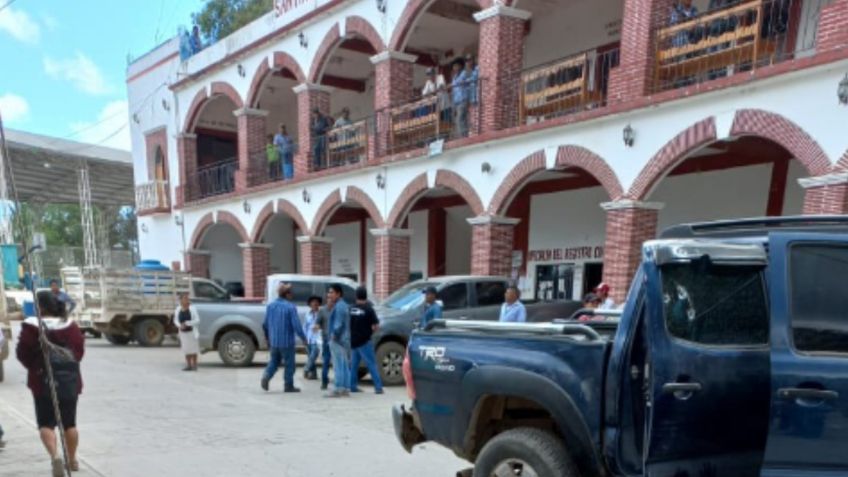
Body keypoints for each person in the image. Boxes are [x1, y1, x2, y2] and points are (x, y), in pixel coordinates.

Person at [17, 292, 85, 476]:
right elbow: (78, 352)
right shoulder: (71, 325)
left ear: (41, 307)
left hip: (43, 382)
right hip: (70, 382)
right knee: (70, 423)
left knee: (46, 423)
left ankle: (55, 456)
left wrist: (36, 368)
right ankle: (72, 460)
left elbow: (22, 353)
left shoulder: (32, 326)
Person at [261, 284, 307, 393]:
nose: (292, 296)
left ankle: (266, 376)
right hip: (287, 342)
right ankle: (288, 385)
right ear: (287, 294)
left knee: (274, 361)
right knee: (289, 364)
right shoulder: (290, 307)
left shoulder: (270, 306)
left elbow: (265, 324)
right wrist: (304, 338)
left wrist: (267, 338)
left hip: (274, 341)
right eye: (291, 293)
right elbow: (296, 325)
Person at [348, 287, 384, 394]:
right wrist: (372, 330)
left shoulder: (351, 309)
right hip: (365, 341)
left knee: (353, 366)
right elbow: (376, 326)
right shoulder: (369, 309)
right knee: (372, 364)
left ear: (356, 296)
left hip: (353, 341)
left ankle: (352, 386)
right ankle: (378, 388)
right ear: (366, 296)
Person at [325, 283, 351, 398]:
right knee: (344, 364)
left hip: (338, 340)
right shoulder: (343, 305)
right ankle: (345, 388)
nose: (329, 295)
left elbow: (338, 324)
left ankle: (338, 388)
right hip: (344, 340)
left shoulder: (340, 306)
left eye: (331, 292)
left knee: (338, 365)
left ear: (338, 294)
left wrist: (333, 335)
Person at [173, 293, 200, 371]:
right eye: (184, 298)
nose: (186, 300)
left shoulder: (192, 308)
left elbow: (198, 320)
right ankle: (188, 365)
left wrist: (187, 323)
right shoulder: (178, 309)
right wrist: (179, 325)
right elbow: (175, 320)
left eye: (187, 298)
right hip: (183, 333)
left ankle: (194, 365)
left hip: (191, 332)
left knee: (194, 349)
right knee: (186, 350)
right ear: (180, 300)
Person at [303, 295, 323, 380]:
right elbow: (305, 326)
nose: (315, 303)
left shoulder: (321, 313)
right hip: (309, 338)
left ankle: (306, 369)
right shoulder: (308, 314)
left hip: (318, 339)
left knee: (313, 356)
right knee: (310, 356)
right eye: (313, 302)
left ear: (319, 304)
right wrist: (304, 337)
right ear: (310, 304)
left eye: (316, 302)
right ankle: (313, 374)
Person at [451, 61, 470, 138]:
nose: (455, 68)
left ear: (460, 66)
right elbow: (454, 90)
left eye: (456, 66)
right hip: (456, 101)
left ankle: (463, 136)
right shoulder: (454, 77)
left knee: (460, 118)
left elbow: (465, 81)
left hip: (463, 99)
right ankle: (461, 135)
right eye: (454, 66)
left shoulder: (464, 73)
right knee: (458, 119)